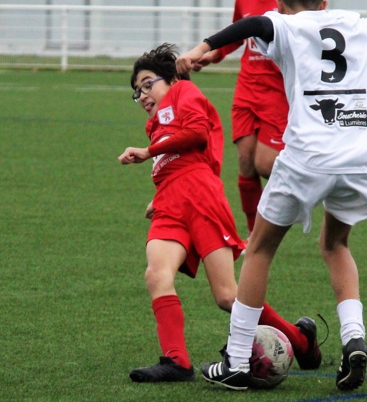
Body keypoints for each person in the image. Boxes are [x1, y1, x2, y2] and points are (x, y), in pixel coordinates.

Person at [176, 0, 367, 391]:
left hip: (309, 156)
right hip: (362, 159)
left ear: (280, 5)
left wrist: (201, 47)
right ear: (324, 2)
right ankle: (354, 338)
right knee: (336, 244)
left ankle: (236, 360)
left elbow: (252, 24)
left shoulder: (286, 25)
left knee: (260, 249)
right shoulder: (362, 26)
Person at [118, 43, 322, 384]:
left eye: (147, 83)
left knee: (228, 296)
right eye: (136, 91)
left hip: (201, 201)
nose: (142, 95)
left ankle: (300, 340)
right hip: (171, 204)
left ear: (169, 79)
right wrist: (160, 195)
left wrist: (148, 151)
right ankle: (176, 362)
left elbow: (197, 134)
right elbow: (175, 163)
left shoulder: (184, 92)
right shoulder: (155, 124)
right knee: (156, 275)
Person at [194, 0, 288, 234]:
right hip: (246, 92)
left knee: (264, 165)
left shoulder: (289, 1)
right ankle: (253, 234)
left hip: (278, 94)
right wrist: (214, 55)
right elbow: (236, 35)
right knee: (246, 166)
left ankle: (302, 190)